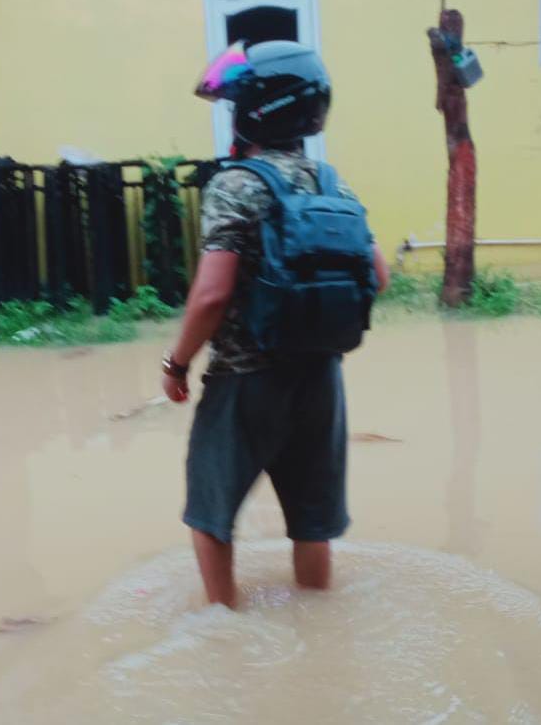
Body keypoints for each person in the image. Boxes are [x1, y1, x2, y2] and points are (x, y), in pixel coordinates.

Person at [161, 40, 390, 608]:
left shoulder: (235, 185)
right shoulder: (334, 184)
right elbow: (379, 276)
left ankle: (223, 629)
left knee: (210, 517)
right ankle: (317, 619)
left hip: (245, 381)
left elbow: (212, 294)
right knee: (312, 525)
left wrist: (177, 363)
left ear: (253, 111)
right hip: (321, 382)